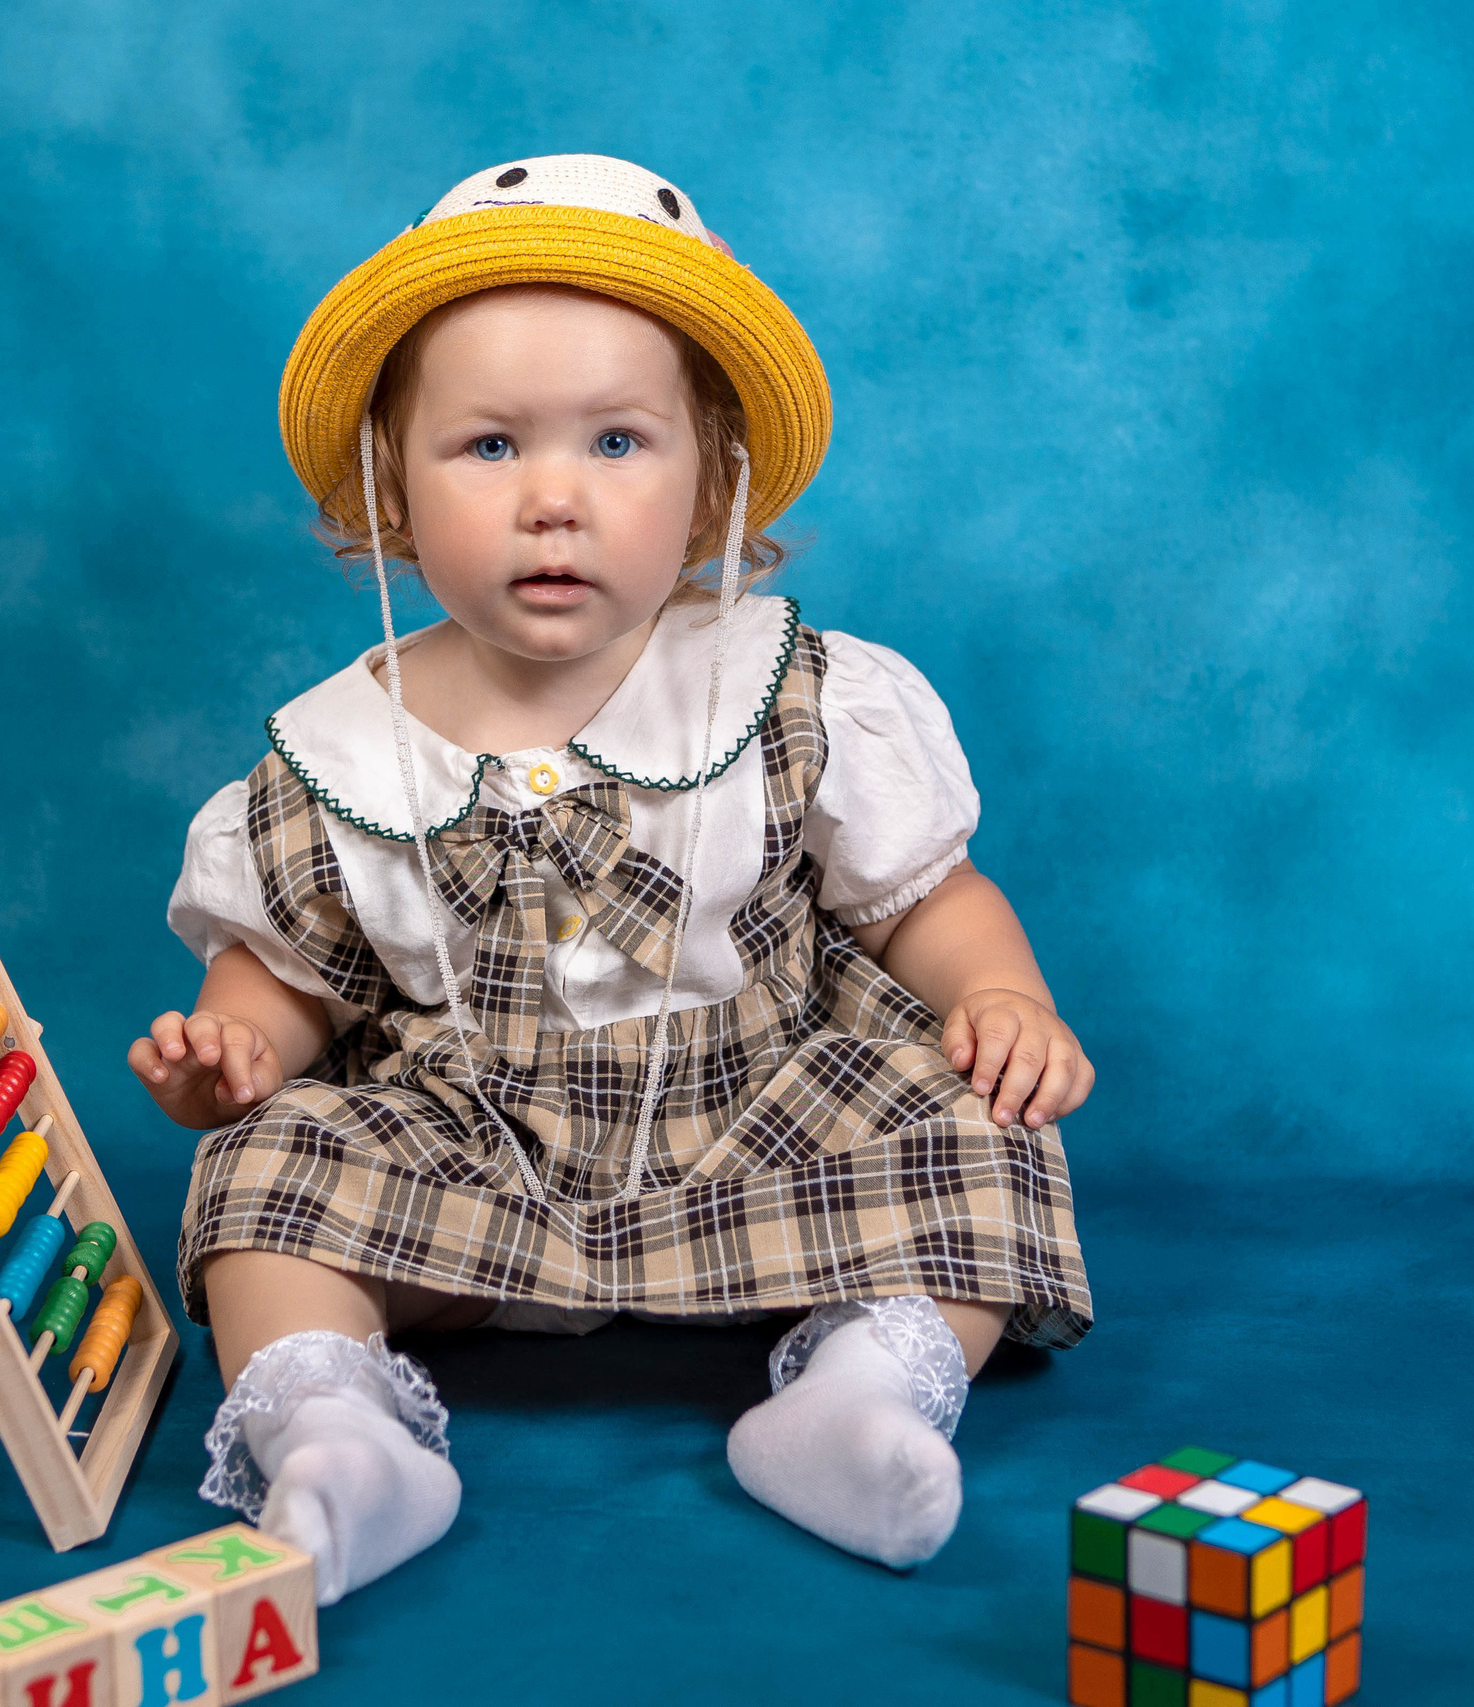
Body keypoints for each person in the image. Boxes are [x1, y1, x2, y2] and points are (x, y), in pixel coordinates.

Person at [132, 155, 1094, 1605]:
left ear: (716, 478)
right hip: (465, 1166)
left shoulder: (783, 696)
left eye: (620, 445)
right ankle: (335, 1430)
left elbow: (920, 902)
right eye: (492, 449)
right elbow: (286, 974)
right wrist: (238, 1053)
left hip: (758, 1129)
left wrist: (1004, 992)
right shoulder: (344, 750)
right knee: (259, 1183)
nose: (555, 503)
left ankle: (861, 1396)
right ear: (391, 489)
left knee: (975, 1130)